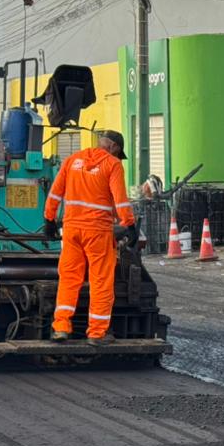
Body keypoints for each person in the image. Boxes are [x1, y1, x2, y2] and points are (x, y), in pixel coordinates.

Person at [44, 130, 135, 345]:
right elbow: (120, 199)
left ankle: (61, 327)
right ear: (114, 147)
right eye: (118, 153)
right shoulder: (113, 164)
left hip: (71, 230)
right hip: (97, 231)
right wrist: (129, 224)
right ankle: (97, 333)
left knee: (69, 278)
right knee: (100, 281)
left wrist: (49, 219)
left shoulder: (72, 160)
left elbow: (55, 192)